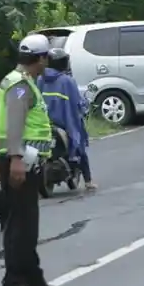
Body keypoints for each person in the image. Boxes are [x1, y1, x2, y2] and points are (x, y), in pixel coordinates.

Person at [0, 34, 56, 286]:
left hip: (27, 160)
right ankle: (14, 281)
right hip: (18, 161)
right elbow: (15, 122)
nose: (46, 63)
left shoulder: (23, 81)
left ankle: (33, 276)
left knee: (28, 223)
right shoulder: (19, 86)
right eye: (45, 58)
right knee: (20, 225)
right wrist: (16, 159)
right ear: (40, 58)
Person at [37, 48, 96, 190]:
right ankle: (88, 181)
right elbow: (77, 103)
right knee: (79, 144)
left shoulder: (40, 79)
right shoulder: (67, 81)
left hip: (44, 123)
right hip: (65, 123)